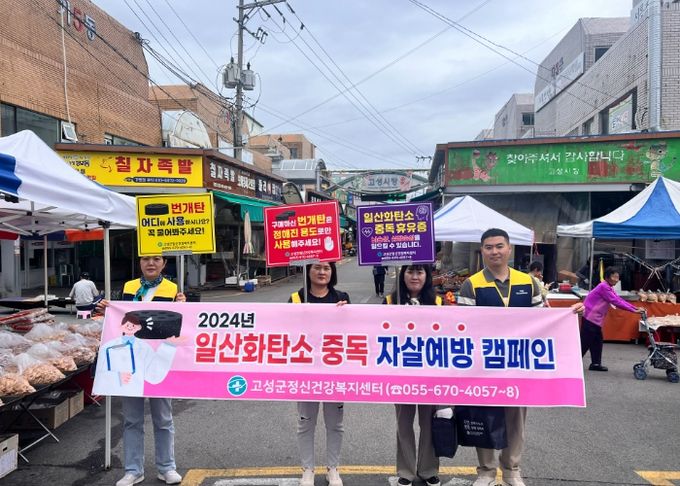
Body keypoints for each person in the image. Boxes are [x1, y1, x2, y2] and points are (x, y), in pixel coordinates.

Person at [457, 228, 544, 486]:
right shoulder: (472, 284)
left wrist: (570, 315)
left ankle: (511, 470)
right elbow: (464, 326)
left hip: (518, 364)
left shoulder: (528, 283)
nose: (494, 251)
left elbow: (542, 321)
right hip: (484, 364)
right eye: (488, 247)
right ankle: (486, 471)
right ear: (482, 251)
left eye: (499, 246)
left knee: (516, 419)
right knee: (484, 415)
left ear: (509, 249)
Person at [97, 255, 185, 486]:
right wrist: (106, 309)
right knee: (132, 420)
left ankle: (167, 467)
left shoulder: (174, 289)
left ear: (164, 264)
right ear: (140, 263)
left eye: (156, 259)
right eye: (146, 259)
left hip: (158, 359)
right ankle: (133, 470)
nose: (151, 263)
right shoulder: (129, 287)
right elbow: (118, 320)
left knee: (163, 418)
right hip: (130, 362)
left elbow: (184, 323)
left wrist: (185, 307)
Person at [288, 262, 350, 486]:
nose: (322, 272)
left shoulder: (342, 298)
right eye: (317, 267)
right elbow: (285, 332)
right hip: (306, 371)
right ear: (308, 270)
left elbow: (354, 332)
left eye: (326, 268)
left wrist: (347, 313)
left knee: (335, 424)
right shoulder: (296, 299)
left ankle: (333, 468)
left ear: (332, 272)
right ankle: (308, 469)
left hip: (334, 371)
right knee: (305, 423)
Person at [384, 264, 444, 486]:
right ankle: (406, 471)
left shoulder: (439, 302)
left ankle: (429, 470)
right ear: (403, 274)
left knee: (429, 423)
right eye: (410, 271)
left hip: (430, 374)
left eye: (420, 272)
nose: (415, 276)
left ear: (427, 275)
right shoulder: (390, 301)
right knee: (404, 424)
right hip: (401, 373)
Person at [581, 266, 644, 372]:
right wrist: (633, 310)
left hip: (595, 319)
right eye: (614, 277)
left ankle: (595, 364)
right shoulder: (604, 287)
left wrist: (635, 308)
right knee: (585, 342)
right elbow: (616, 301)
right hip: (590, 317)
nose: (616, 279)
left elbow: (618, 299)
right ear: (607, 277)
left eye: (617, 277)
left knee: (596, 341)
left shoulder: (608, 287)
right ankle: (573, 364)